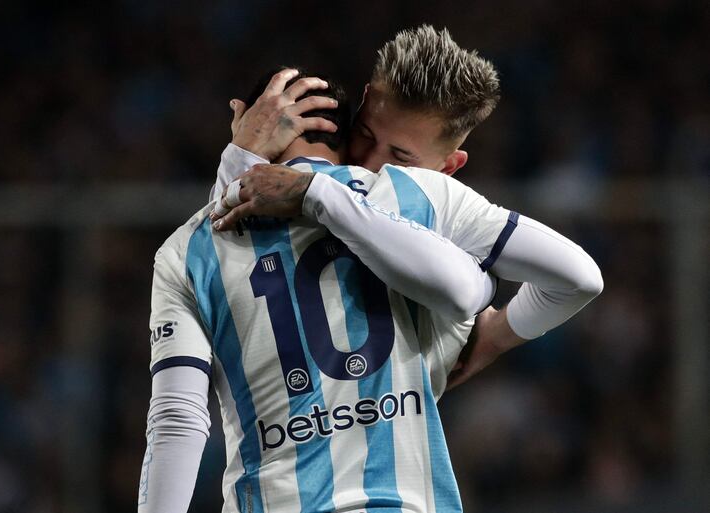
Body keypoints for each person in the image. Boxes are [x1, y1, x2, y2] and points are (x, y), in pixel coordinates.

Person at [139, 59, 602, 510]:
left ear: (243, 119)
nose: (380, 163)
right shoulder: (418, 197)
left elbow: (177, 420)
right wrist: (494, 332)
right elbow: (565, 279)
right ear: (348, 126)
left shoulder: (187, 250)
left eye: (399, 156)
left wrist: (238, 166)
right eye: (368, 139)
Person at [216, 25, 601, 390]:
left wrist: (496, 337)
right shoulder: (304, 179)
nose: (369, 163)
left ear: (448, 168)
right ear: (364, 100)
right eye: (364, 134)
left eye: (400, 158)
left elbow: (579, 276)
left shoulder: (440, 203)